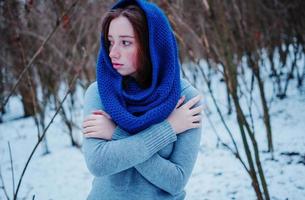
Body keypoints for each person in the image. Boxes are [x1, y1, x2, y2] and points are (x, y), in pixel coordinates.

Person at [82, 0, 203, 199]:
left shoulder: (186, 99)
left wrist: (116, 134)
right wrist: (169, 129)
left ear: (151, 46)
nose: (112, 53)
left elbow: (176, 181)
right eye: (110, 41)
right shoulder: (100, 92)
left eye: (126, 42)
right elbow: (99, 164)